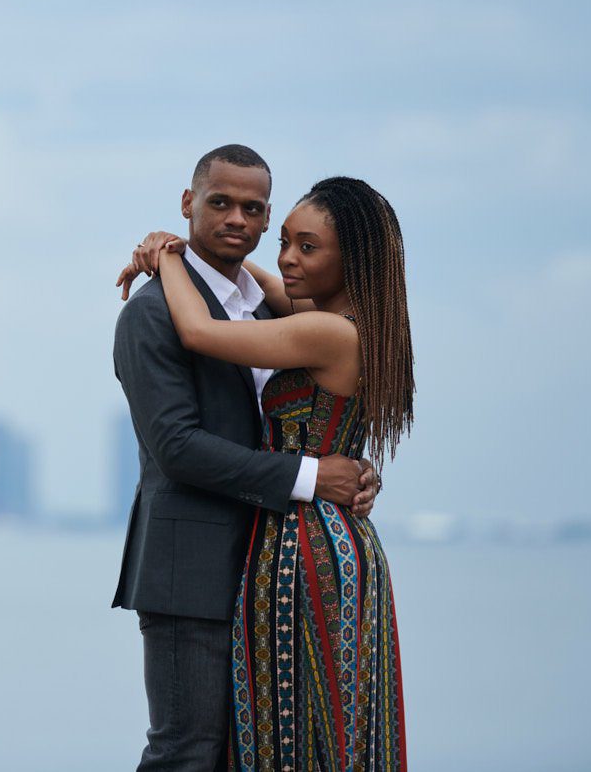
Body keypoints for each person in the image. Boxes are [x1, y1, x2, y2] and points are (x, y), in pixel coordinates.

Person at [119, 170, 412, 771]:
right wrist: (177, 246)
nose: (286, 257)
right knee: (295, 734)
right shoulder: (351, 323)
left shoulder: (324, 331)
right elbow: (253, 282)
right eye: (283, 239)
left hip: (306, 550)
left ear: (350, 258)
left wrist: (167, 255)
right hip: (299, 542)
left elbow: (202, 330)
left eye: (307, 247)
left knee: (305, 732)